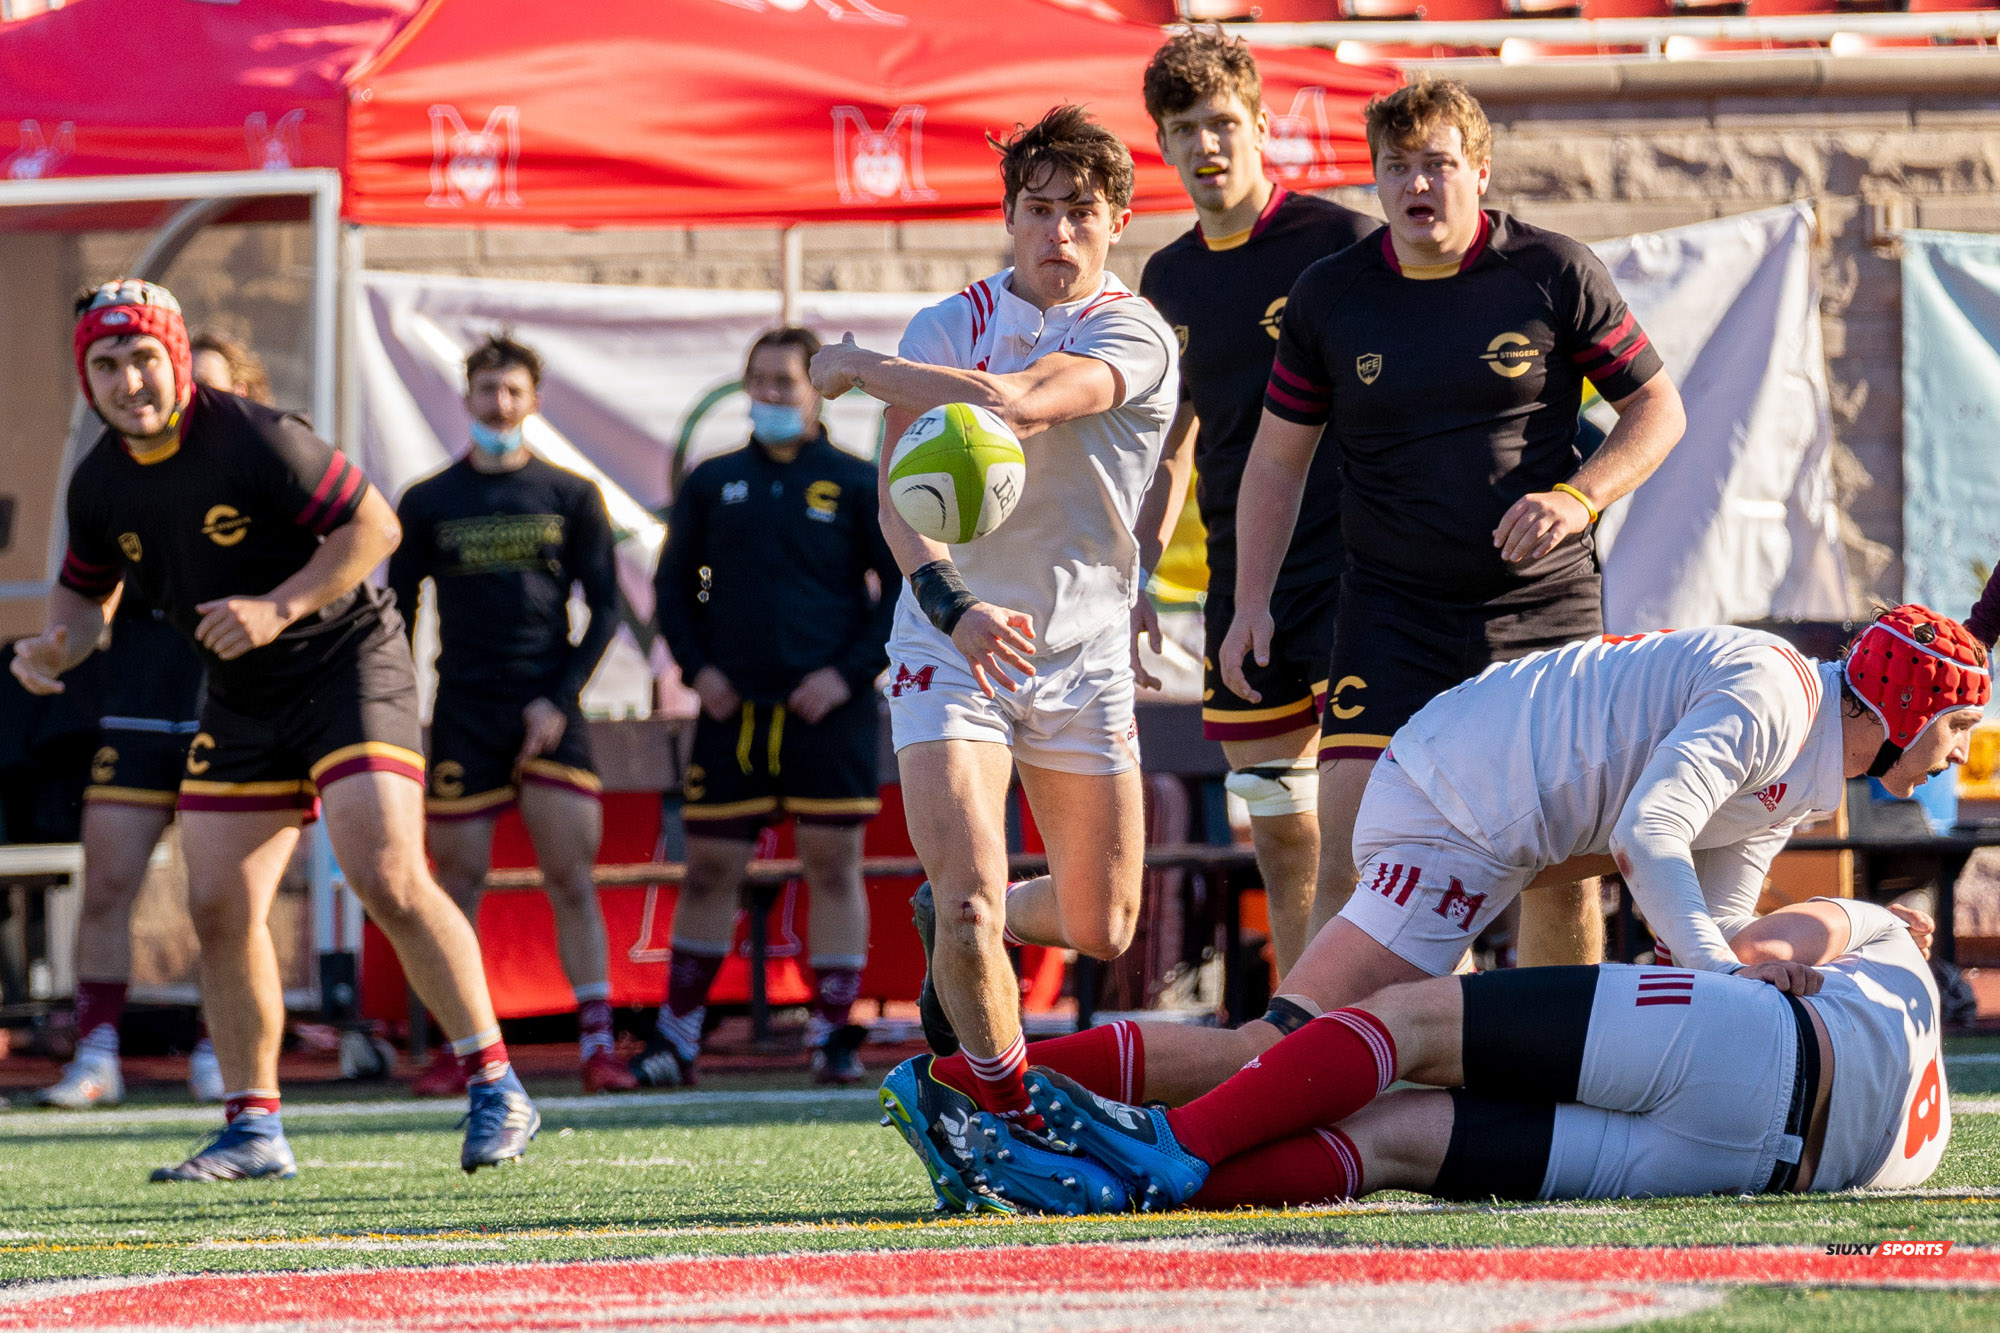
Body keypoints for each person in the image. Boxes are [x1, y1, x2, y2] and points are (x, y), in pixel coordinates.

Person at [879, 606, 1988, 1210]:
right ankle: (977, 1090)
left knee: (1314, 1056)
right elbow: (1650, 837)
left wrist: (1738, 969)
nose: (1956, 752)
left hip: (1481, 802)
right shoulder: (1775, 696)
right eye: (1954, 727)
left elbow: (1708, 912)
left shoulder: (1805, 751)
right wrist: (1724, 965)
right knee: (1284, 1049)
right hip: (1465, 802)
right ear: (1902, 702)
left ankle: (996, 1096)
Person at [13, 279, 537, 1180]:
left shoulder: (253, 434)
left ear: (177, 357)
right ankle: (254, 1127)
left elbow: (376, 526)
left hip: (348, 664)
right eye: (106, 364)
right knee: (220, 905)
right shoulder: (99, 479)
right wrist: (57, 646)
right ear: (85, 378)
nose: (129, 381)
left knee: (386, 875)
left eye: (144, 357)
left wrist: (277, 606)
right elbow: (86, 591)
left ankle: (497, 1083)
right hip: (244, 693)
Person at [1221, 75, 1688, 969]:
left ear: (1479, 169)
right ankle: (1333, 1047)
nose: (1416, 185)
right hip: (1390, 614)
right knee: (1356, 854)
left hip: (1537, 611)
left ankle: (1556, 1047)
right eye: (1396, 166)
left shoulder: (1551, 270)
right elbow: (1276, 461)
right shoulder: (1331, 294)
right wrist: (1250, 602)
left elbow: (1659, 410)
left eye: (1436, 164)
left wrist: (1580, 495)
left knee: (1559, 869)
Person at [808, 107, 1179, 1159]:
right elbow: (900, 501)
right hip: (953, 644)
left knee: (1102, 922)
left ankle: (975, 913)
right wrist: (952, 607)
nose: (1058, 231)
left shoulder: (1135, 333)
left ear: (1116, 223)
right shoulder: (946, 325)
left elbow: (1017, 403)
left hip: (1082, 652)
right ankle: (1006, 1119)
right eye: (1039, 208)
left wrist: (857, 363)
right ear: (1008, 216)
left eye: (1081, 212)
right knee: (969, 904)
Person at [971, 893, 1952, 1212]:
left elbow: (1759, 953)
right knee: (1392, 1140)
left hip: (1758, 1044)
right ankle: (1111, 1187)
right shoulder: (1936, 1130)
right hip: (1754, 1168)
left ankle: (1168, 1144)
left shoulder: (1890, 934)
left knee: (1408, 1022)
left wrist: (1848, 924)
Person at [1133, 28, 1376, 978]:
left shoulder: (1342, 244)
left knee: (1374, 836)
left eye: (1223, 122)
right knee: (1281, 834)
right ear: (1162, 143)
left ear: (1263, 125)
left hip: (1358, 577)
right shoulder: (1167, 277)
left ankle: (1420, 1023)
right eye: (1184, 128)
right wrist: (1137, 572)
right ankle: (1305, 1029)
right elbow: (1170, 445)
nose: (1206, 145)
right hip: (1245, 588)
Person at [642, 327, 899, 1088]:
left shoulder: (855, 481)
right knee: (709, 868)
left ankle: (833, 1037)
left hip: (830, 711)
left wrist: (845, 676)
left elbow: (898, 594)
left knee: (833, 866)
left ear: (816, 390)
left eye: (785, 381)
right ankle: (676, 1039)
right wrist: (699, 671)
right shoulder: (711, 480)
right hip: (732, 711)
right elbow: (674, 587)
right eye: (758, 380)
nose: (770, 395)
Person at [388, 334, 632, 1096]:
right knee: (454, 881)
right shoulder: (428, 499)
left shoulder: (571, 493)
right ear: (466, 397)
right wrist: (395, 708)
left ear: (534, 401)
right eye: (487, 390)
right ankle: (457, 1048)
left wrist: (558, 699)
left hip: (550, 708)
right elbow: (397, 612)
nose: (499, 404)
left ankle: (598, 1045)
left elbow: (606, 609)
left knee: (572, 876)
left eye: (512, 391)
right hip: (465, 709)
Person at [32, 335, 268, 1110]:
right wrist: (53, 648)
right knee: (106, 883)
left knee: (224, 899)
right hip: (136, 703)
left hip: (227, 712)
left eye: (216, 389)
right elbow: (87, 594)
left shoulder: (263, 473)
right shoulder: (118, 479)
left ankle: (220, 1046)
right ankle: (96, 1053)